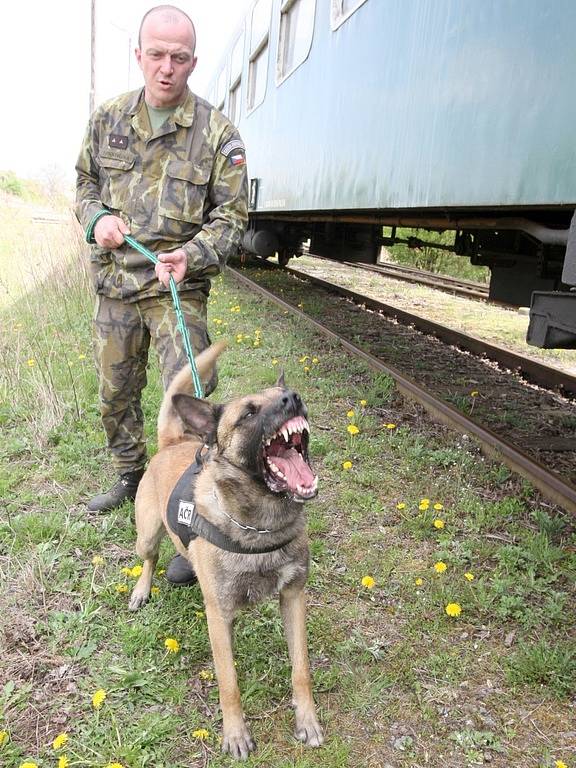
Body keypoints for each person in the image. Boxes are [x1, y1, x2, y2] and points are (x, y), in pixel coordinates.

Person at [75, 5, 248, 584]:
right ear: (140, 55)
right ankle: (131, 478)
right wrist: (96, 215)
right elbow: (84, 184)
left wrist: (191, 254)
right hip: (118, 284)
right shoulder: (108, 120)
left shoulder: (218, 133)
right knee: (114, 394)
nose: (167, 67)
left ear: (193, 61)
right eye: (157, 54)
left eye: (179, 57)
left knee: (193, 402)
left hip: (177, 286)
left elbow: (232, 216)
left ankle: (187, 510)